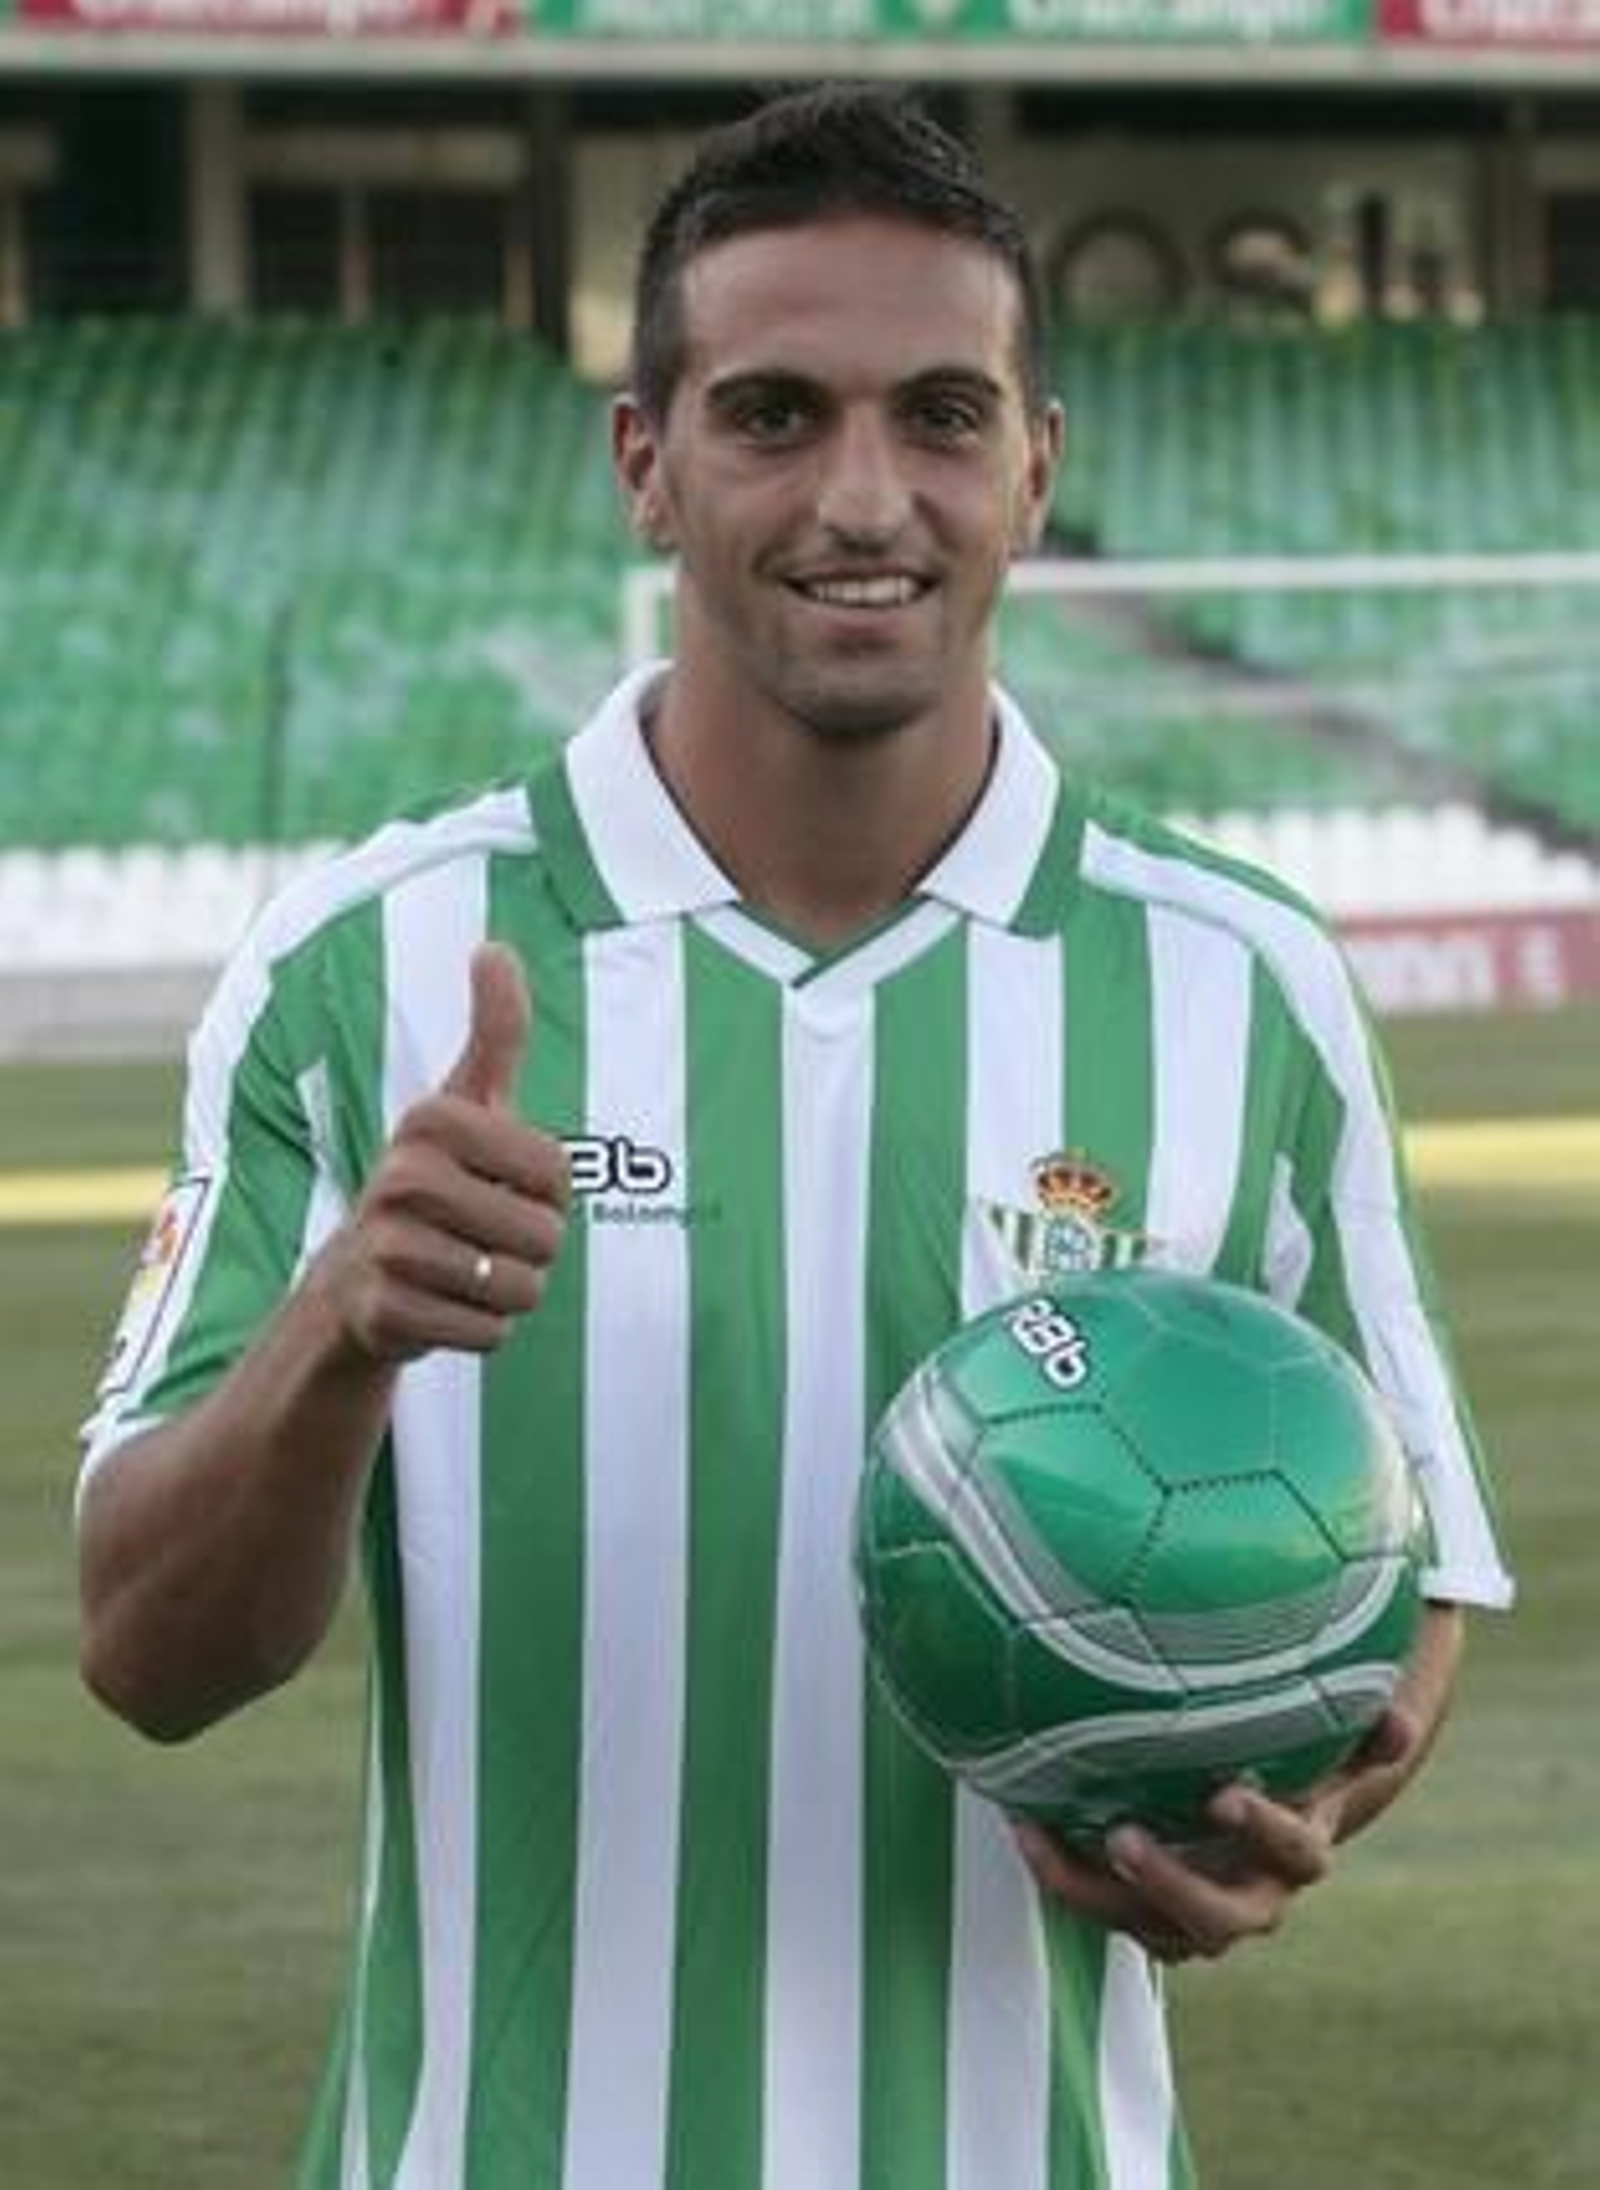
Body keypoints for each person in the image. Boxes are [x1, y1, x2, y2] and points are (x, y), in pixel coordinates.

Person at [78, 84, 1513, 2190]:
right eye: (770, 414)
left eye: (941, 415)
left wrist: (1276, 1807)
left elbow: (1405, 1582)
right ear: (644, 463)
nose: (863, 495)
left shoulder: (1241, 981)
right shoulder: (368, 965)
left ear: (1035, 466)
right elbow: (144, 1652)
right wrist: (338, 1337)